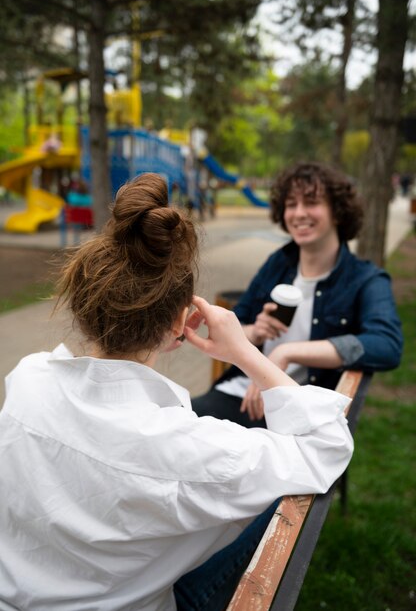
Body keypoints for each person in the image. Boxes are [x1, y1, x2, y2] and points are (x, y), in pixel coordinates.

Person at [0, 173, 353, 611]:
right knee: (271, 499)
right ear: (177, 326)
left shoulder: (27, 380)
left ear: (82, 305)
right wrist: (244, 352)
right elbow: (329, 443)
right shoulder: (190, 449)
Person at [193, 161, 403, 428]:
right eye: (291, 204)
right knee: (178, 423)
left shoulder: (365, 279)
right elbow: (233, 329)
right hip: (244, 394)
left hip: (299, 410)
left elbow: (386, 344)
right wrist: (255, 331)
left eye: (311, 202)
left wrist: (288, 352)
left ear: (337, 211)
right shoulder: (278, 263)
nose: (299, 213)